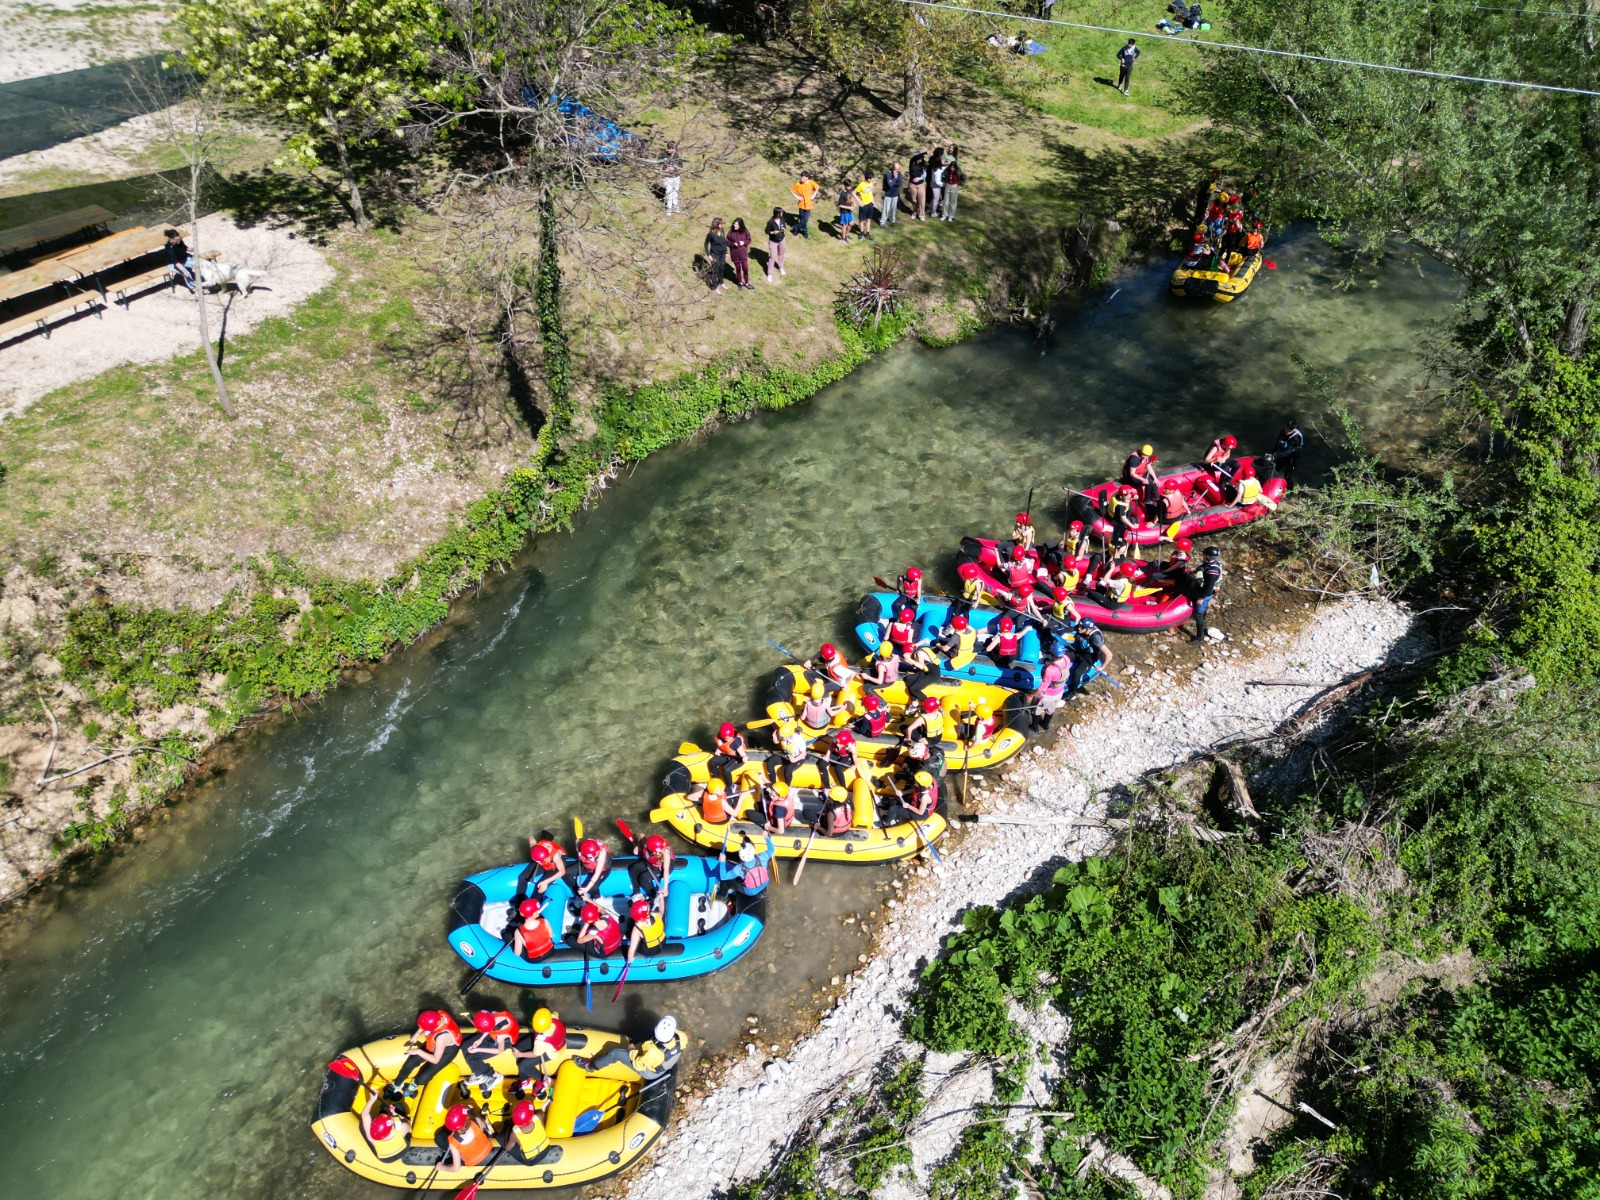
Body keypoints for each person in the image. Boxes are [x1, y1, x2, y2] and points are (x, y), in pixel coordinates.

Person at [588, 1016, 687, 1080]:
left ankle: (592, 1066)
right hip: (664, 1060)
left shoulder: (653, 1052)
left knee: (615, 1053)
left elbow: (638, 1064)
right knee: (645, 1034)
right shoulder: (681, 1036)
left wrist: (631, 1050)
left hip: (650, 1072)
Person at [394, 1009, 461, 1091]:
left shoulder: (442, 1037)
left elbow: (435, 1060)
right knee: (410, 1063)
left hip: (447, 1050)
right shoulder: (437, 1017)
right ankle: (397, 1083)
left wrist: (418, 1051)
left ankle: (415, 1083)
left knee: (425, 1076)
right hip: (433, 1043)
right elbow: (425, 1024)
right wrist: (417, 1034)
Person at [465, 1008, 520, 1078]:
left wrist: (478, 1049)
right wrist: (480, 1039)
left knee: (472, 1057)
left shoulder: (501, 1036)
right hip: (497, 1033)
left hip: (505, 1042)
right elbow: (490, 1026)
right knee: (466, 1045)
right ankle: (478, 1074)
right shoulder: (493, 1014)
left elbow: (500, 1051)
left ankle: (494, 1076)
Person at [360, 1089, 411, 1161]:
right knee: (399, 1106)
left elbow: (365, 1115)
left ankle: (383, 1110)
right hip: (399, 1151)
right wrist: (394, 1113)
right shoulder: (402, 1127)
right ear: (392, 1123)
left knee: (365, 1124)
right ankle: (386, 1109)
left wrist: (371, 1100)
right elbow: (407, 1121)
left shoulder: (372, 1138)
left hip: (385, 1154)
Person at [717, 833, 774, 897]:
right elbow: (771, 849)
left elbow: (723, 877)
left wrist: (722, 862)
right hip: (765, 883)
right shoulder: (762, 857)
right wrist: (766, 838)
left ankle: (722, 896)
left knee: (725, 881)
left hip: (750, 891)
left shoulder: (739, 869)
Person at [443, 1103, 498, 1170]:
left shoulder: (452, 1142)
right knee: (482, 1123)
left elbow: (456, 1168)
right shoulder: (477, 1121)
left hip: (472, 1162)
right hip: (487, 1150)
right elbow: (484, 1125)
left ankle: (451, 1158)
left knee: (439, 1138)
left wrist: (441, 1167)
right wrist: (473, 1113)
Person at [629, 833, 675, 909]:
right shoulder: (646, 843)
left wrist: (665, 888)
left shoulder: (665, 852)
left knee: (643, 878)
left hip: (662, 868)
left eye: (658, 852)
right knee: (633, 868)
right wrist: (637, 846)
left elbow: (666, 871)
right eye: (656, 852)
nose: (658, 853)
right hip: (652, 863)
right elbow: (641, 835)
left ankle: (653, 895)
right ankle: (637, 893)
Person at [1068, 618, 1112, 694]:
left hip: (1089, 657)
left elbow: (1109, 655)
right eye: (1079, 626)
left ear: (1088, 629)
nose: (1079, 628)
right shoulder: (1081, 628)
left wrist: (1102, 667)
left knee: (1077, 673)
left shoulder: (1095, 638)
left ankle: (1072, 692)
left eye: (1082, 627)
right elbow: (1070, 629)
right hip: (1079, 650)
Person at [1030, 651, 1070, 731]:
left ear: (1053, 655)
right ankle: (1045, 726)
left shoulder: (1050, 670)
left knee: (1036, 711)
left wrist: (1030, 695)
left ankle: (1035, 728)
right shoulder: (1066, 659)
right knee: (1050, 710)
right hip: (1059, 692)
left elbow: (1043, 687)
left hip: (1047, 695)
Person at [1192, 545, 1224, 641]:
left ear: (1208, 557)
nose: (1203, 555)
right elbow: (1203, 567)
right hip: (1204, 590)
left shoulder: (1213, 571)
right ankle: (1204, 616)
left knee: (1198, 615)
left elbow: (1209, 587)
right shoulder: (1210, 563)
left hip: (1205, 593)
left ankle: (1198, 637)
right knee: (1202, 611)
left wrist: (1201, 598)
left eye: (1204, 554)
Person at [507, 1099, 550, 1165]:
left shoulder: (514, 1133)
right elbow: (540, 1112)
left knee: (502, 1137)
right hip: (546, 1149)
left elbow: (508, 1147)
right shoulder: (538, 1116)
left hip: (532, 1160)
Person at [511, 896, 556, 960]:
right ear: (535, 914)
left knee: (507, 935)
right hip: (550, 951)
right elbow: (551, 935)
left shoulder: (518, 932)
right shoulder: (545, 921)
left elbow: (517, 953)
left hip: (534, 959)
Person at [624, 897, 666, 965]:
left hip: (649, 951)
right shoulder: (656, 916)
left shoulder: (636, 929)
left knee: (630, 927)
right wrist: (661, 899)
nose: (648, 905)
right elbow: (661, 910)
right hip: (662, 943)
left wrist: (629, 961)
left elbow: (631, 950)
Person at [709, 721, 749, 787]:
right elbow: (721, 745)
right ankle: (716, 781)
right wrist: (718, 750)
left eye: (729, 737)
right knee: (712, 763)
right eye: (726, 738)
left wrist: (744, 757)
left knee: (725, 770)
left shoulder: (736, 741)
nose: (728, 739)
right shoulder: (721, 736)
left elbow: (742, 754)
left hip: (738, 757)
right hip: (727, 754)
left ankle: (731, 786)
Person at [574, 837, 612, 903]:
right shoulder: (580, 846)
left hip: (602, 870)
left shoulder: (602, 852)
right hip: (587, 866)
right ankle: (576, 894)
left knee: (592, 888)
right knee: (567, 874)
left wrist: (586, 888)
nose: (595, 857)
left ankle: (598, 898)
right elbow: (577, 842)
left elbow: (597, 873)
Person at [1123, 444, 1160, 511]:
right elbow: (1132, 473)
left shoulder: (1146, 457)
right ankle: (1147, 499)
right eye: (1144, 454)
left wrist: (1155, 478)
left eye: (1147, 455)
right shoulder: (1134, 459)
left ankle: (1156, 496)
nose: (1145, 456)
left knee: (1154, 476)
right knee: (1149, 482)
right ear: (1142, 452)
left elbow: (1149, 467)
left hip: (1139, 474)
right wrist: (1142, 479)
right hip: (1130, 478)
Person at [1269, 418, 1304, 484]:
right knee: (1274, 469)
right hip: (1284, 452)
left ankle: (1291, 490)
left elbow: (1288, 452)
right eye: (1286, 429)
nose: (1287, 431)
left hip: (1293, 456)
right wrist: (1272, 454)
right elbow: (1277, 444)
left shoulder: (1296, 438)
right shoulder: (1283, 432)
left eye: (1289, 430)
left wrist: (1276, 456)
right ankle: (1272, 484)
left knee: (1287, 475)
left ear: (1293, 430)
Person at [163, 229, 196, 293]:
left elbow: (183, 247)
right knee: (186, 273)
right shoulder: (169, 248)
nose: (178, 241)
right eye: (176, 240)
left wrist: (188, 249)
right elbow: (176, 262)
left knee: (198, 263)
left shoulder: (179, 240)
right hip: (173, 263)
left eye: (179, 239)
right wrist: (183, 271)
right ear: (171, 239)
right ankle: (193, 288)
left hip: (183, 258)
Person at [704, 218, 729, 294]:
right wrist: (708, 255)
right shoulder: (710, 234)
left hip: (722, 254)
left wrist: (726, 252)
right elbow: (706, 244)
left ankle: (721, 283)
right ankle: (714, 287)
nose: (722, 225)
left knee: (721, 269)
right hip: (715, 255)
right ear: (716, 225)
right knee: (715, 271)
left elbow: (724, 242)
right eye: (720, 224)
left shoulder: (722, 230)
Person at [727, 217, 754, 290]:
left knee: (745, 268)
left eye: (737, 225)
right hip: (735, 254)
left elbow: (749, 240)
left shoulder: (745, 231)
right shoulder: (730, 232)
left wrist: (744, 242)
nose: (735, 225)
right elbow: (727, 242)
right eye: (734, 224)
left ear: (740, 225)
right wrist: (733, 244)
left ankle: (747, 283)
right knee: (738, 269)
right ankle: (740, 282)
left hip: (743, 254)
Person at [790, 173, 819, 238]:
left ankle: (795, 228)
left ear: (807, 178)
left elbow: (817, 187)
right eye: (801, 177)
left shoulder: (811, 182)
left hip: (808, 204)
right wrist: (797, 197)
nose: (801, 179)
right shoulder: (798, 184)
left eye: (803, 178)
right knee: (802, 219)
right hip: (801, 204)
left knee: (805, 219)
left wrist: (814, 195)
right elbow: (792, 190)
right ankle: (804, 232)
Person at [764, 206, 787, 282]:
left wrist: (783, 229)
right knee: (772, 257)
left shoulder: (782, 218)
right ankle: (770, 274)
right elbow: (766, 231)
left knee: (781, 253)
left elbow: (784, 225)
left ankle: (780, 266)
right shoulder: (770, 222)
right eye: (781, 212)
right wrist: (773, 232)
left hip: (782, 239)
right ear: (777, 214)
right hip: (773, 241)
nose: (782, 213)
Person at [907, 150, 928, 220]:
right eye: (919, 159)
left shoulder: (922, 166)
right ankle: (914, 212)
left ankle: (921, 214)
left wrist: (920, 178)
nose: (920, 160)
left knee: (921, 200)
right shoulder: (911, 163)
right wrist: (925, 152)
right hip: (912, 185)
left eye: (922, 159)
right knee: (914, 200)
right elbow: (915, 157)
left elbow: (925, 174)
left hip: (921, 184)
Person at [661, 142, 682, 214]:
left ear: (674, 149)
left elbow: (681, 166)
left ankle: (675, 205)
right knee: (669, 192)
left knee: (675, 191)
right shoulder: (664, 155)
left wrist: (674, 168)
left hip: (676, 176)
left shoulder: (677, 156)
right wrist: (665, 169)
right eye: (668, 148)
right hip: (668, 177)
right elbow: (661, 165)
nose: (668, 150)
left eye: (670, 148)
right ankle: (669, 208)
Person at [853, 174, 875, 238]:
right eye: (871, 178)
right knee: (862, 220)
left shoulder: (871, 183)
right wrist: (859, 201)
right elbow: (853, 192)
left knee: (868, 219)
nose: (871, 180)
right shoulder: (861, 185)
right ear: (868, 178)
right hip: (864, 205)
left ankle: (867, 233)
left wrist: (872, 200)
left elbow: (870, 192)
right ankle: (861, 233)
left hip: (870, 204)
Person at [940, 156, 961, 222]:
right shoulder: (947, 171)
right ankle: (944, 215)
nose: (952, 168)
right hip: (948, 185)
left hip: (954, 186)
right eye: (951, 167)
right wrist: (944, 180)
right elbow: (943, 175)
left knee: (953, 202)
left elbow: (964, 177)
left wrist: (958, 183)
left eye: (953, 167)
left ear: (955, 167)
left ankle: (951, 215)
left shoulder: (958, 172)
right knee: (946, 201)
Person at [928, 158, 945, 224]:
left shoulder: (934, 169)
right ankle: (933, 212)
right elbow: (938, 182)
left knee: (933, 197)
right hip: (936, 186)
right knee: (936, 199)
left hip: (932, 184)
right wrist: (943, 184)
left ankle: (929, 208)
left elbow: (941, 170)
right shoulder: (937, 172)